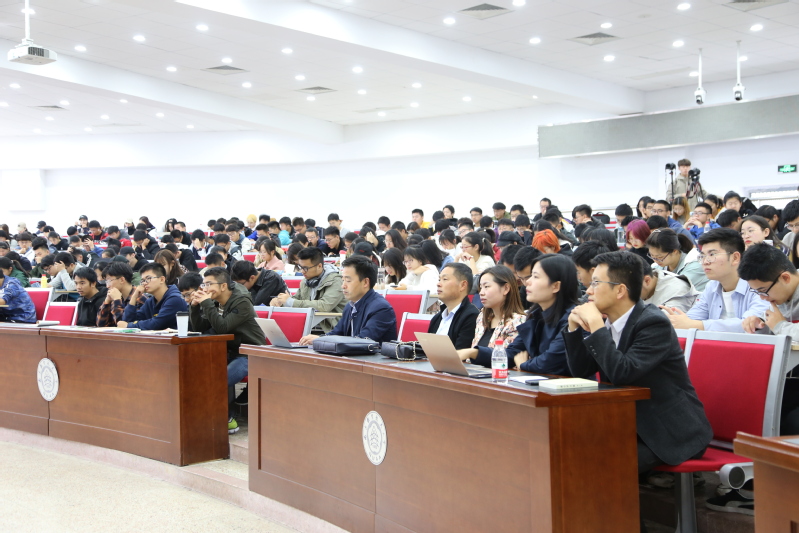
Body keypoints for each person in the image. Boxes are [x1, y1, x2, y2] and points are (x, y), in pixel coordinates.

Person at [562, 251, 712, 517]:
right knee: (567, 451)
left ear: (620, 290)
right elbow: (582, 372)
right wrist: (574, 330)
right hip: (629, 425)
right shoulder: (609, 322)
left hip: (669, 430)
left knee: (603, 465)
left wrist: (596, 327)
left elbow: (623, 372)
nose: (588, 291)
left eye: (596, 283)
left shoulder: (652, 322)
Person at [189, 267, 265, 434]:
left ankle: (226, 418)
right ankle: (219, 417)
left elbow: (223, 327)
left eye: (209, 284)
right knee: (198, 372)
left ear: (223, 286)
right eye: (204, 284)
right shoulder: (216, 300)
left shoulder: (241, 302)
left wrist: (206, 303)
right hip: (228, 351)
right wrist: (194, 307)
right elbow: (200, 327)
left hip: (250, 353)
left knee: (219, 379)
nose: (205, 288)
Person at [738, 243, 799, 436]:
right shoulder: (777, 296)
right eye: (757, 292)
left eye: (763, 291)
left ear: (785, 278)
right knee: (750, 405)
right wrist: (761, 325)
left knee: (791, 422)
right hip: (790, 377)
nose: (763, 298)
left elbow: (782, 327)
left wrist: (780, 326)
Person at [662, 228, 769, 332]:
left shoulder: (759, 286)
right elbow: (693, 318)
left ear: (735, 258)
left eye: (712, 254)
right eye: (702, 256)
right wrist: (676, 321)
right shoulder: (711, 287)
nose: (705, 262)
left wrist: (698, 325)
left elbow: (750, 325)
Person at [299, 256, 396, 345]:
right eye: (343, 280)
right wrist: (318, 339)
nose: (343, 286)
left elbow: (362, 342)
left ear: (365, 282)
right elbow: (337, 333)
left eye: (348, 281)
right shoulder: (350, 306)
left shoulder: (381, 309)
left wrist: (321, 340)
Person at [456, 265, 526, 363]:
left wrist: (472, 353)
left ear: (506, 288)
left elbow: (505, 358)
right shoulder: (482, 317)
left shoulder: (518, 321)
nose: (481, 293)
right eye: (481, 287)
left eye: (487, 287)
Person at [270, 246, 345, 333]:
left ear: (319, 266)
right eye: (300, 267)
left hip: (330, 330)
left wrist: (290, 301)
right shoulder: (306, 281)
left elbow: (324, 306)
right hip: (309, 328)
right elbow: (296, 300)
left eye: (306, 268)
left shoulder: (336, 281)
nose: (302, 271)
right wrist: (280, 302)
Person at [423, 262, 480, 349]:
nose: (438, 284)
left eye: (445, 279)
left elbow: (461, 353)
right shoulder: (437, 318)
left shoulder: (472, 316)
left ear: (463, 285)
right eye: (439, 279)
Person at [119, 263, 188, 330]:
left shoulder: (175, 299)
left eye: (148, 278)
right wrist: (134, 297)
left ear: (162, 279)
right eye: (143, 280)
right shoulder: (150, 301)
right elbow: (127, 321)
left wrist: (129, 325)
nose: (144, 283)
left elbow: (157, 323)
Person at [97, 261, 136, 327]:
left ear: (122, 280)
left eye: (109, 281)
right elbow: (101, 324)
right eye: (106, 282)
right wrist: (106, 302)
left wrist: (117, 301)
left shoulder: (138, 298)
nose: (107, 286)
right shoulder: (115, 296)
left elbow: (123, 325)